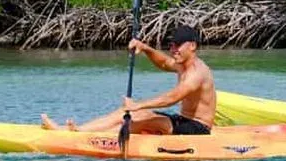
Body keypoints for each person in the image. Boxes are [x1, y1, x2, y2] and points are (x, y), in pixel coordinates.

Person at [40, 25, 216, 134]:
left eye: (178, 45)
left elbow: (172, 98)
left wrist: (138, 105)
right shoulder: (182, 64)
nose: (173, 50)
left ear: (192, 46)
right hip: (182, 120)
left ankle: (87, 136)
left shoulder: (197, 73)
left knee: (143, 119)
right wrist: (145, 48)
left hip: (198, 128)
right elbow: (163, 62)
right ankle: (76, 130)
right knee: (126, 114)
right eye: (171, 45)